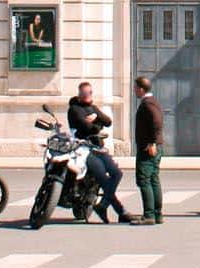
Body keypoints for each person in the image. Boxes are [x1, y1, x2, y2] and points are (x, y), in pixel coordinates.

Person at [67, 81, 132, 224]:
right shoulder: (74, 109)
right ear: (79, 94)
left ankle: (103, 206)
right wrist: (96, 124)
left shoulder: (93, 108)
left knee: (117, 173)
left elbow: (108, 121)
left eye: (89, 93)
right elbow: (88, 127)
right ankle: (120, 211)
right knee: (102, 177)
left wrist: (96, 118)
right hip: (84, 149)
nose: (87, 95)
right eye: (84, 93)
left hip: (98, 148)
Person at [131, 76, 165, 224]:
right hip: (153, 146)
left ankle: (149, 215)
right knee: (153, 179)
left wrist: (152, 142)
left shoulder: (148, 104)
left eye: (135, 88)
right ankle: (157, 214)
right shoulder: (152, 102)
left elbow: (156, 122)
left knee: (144, 179)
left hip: (148, 148)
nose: (134, 91)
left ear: (141, 89)